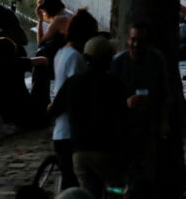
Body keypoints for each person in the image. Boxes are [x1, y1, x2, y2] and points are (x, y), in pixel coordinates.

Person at [47, 36, 128, 198]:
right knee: (115, 190)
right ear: (108, 57)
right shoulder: (113, 83)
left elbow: (54, 110)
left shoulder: (72, 82)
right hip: (107, 151)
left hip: (80, 152)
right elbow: (123, 115)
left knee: (88, 194)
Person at [110, 24, 170, 193]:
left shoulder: (156, 60)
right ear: (128, 40)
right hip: (125, 126)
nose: (136, 44)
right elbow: (109, 98)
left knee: (148, 170)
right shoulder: (119, 63)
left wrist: (164, 123)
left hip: (149, 124)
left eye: (140, 40)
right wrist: (126, 103)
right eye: (133, 40)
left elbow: (165, 93)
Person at [52, 10, 98, 190]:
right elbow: (76, 91)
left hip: (61, 130)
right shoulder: (75, 58)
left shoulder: (61, 54)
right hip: (71, 130)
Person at [0, 37, 49, 130]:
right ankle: (46, 107)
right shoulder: (19, 62)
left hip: (1, 112)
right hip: (24, 110)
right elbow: (43, 60)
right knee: (41, 70)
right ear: (12, 49)